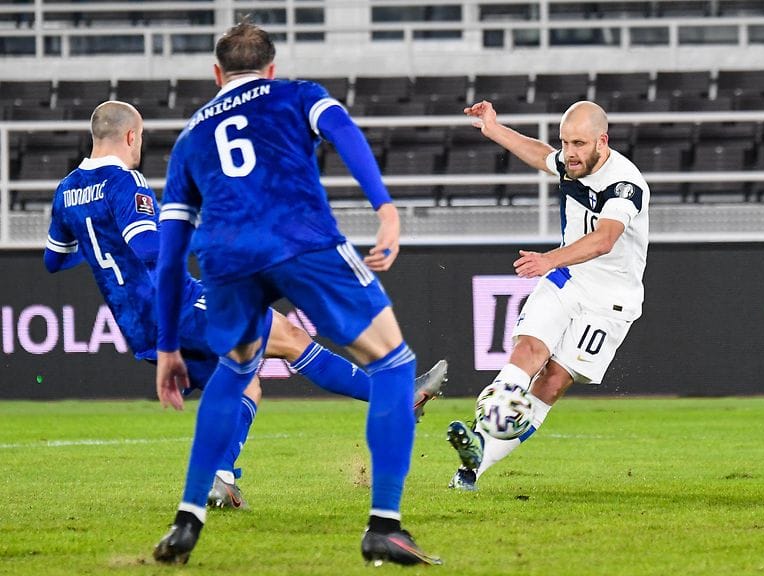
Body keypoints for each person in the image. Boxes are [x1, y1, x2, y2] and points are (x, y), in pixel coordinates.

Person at [44, 100, 448, 511]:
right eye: (141, 137)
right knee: (291, 338)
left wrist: (101, 249)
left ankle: (222, 480)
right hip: (180, 305)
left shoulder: (66, 192)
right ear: (131, 136)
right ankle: (400, 399)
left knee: (246, 382)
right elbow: (149, 248)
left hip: (136, 322)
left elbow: (54, 260)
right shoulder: (125, 182)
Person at [150, 21, 441, 566]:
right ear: (271, 67)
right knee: (394, 363)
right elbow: (344, 131)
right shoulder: (296, 94)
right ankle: (385, 525)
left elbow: (169, 260)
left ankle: (188, 517)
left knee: (235, 371)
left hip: (226, 259)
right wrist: (385, 207)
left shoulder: (190, 138)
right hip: (301, 241)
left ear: (217, 74)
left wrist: (168, 348)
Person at [446, 100, 649, 491]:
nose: (568, 153)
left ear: (601, 142)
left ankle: (475, 464)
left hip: (611, 301)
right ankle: (484, 428)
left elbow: (605, 239)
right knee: (528, 350)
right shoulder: (572, 162)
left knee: (551, 381)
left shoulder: (625, 183)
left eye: (578, 144)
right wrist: (494, 128)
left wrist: (547, 259)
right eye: (565, 143)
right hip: (567, 278)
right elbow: (542, 156)